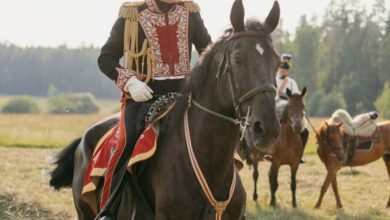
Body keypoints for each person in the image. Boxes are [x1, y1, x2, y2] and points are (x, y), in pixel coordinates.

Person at [97, 0, 211, 216]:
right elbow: (106, 58)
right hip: (143, 98)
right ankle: (108, 209)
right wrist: (130, 82)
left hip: (183, 98)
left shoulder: (190, 12)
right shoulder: (131, 14)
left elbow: (209, 52)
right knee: (126, 141)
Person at [275, 53, 309, 163]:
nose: (283, 71)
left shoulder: (291, 82)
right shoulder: (274, 79)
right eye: (281, 69)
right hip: (277, 104)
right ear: (278, 69)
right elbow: (276, 94)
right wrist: (285, 95)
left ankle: (300, 154)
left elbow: (296, 95)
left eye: (285, 70)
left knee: (306, 131)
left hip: (292, 107)